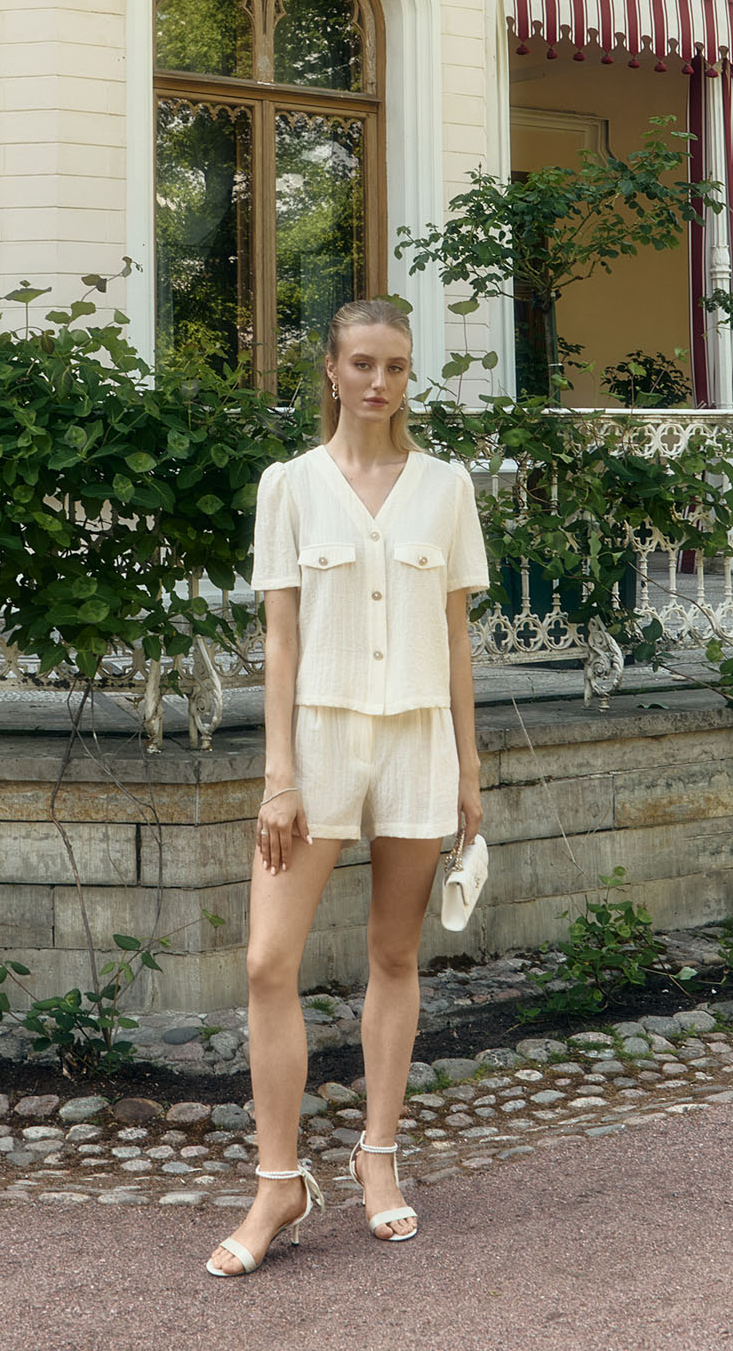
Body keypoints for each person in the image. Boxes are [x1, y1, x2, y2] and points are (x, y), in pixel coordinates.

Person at [206, 297, 489, 1278]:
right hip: (318, 746)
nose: (379, 382)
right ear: (330, 369)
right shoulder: (288, 485)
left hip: (418, 741)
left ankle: (378, 1156)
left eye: (396, 366)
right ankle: (277, 1182)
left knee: (395, 953)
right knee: (266, 961)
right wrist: (278, 777)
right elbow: (279, 639)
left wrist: (469, 766)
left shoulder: (447, 487)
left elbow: (456, 636)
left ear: (410, 376)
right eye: (362, 362)